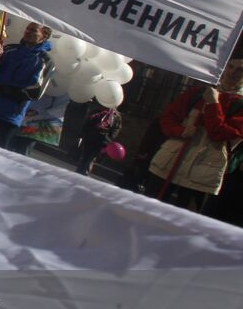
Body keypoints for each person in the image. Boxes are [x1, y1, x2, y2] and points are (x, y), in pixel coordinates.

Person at [145, 56, 243, 212]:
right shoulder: (198, 93)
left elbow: (220, 133)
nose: (232, 72)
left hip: (203, 171)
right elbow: (168, 118)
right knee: (147, 207)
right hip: (170, 162)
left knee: (183, 219)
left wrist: (213, 104)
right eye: (230, 67)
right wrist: (181, 131)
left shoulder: (239, 104)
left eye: (239, 70)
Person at [75, 104, 122, 175]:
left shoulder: (116, 117)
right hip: (90, 137)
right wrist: (83, 133)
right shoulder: (98, 111)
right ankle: (79, 171)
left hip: (102, 141)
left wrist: (109, 139)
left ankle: (84, 172)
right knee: (85, 155)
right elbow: (87, 123)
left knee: (92, 157)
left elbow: (115, 130)